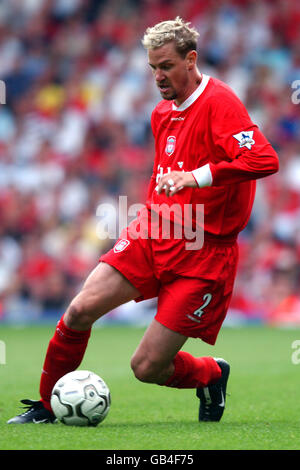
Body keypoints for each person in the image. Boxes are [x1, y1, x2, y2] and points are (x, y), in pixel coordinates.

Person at [8, 17, 279, 425]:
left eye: (166, 66)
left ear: (191, 60)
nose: (158, 76)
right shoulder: (161, 114)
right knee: (80, 309)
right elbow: (163, 176)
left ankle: (211, 374)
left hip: (203, 251)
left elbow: (263, 159)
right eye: (152, 67)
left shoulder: (220, 102)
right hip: (155, 232)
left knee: (147, 367)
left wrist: (197, 176)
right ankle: (48, 405)